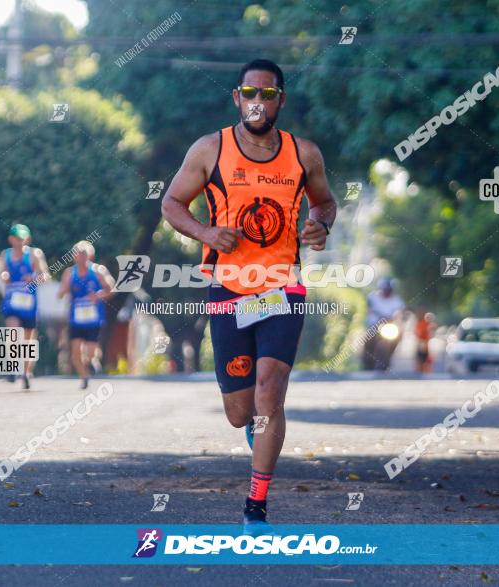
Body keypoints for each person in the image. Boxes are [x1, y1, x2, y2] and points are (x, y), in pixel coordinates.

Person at [161, 58, 336, 534]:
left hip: (283, 287)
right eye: (250, 93)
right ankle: (256, 434)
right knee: (241, 412)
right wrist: (205, 232)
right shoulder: (210, 149)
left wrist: (321, 226)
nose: (259, 102)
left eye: (269, 94)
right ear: (237, 98)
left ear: (281, 100)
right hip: (229, 290)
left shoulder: (304, 154)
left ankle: (256, 504)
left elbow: (324, 201)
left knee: (269, 395)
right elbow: (171, 203)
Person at [58, 240, 113, 389]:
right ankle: (84, 376)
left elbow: (112, 289)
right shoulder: (70, 273)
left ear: (90, 256)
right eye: (78, 255)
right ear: (74, 257)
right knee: (75, 353)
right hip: (76, 319)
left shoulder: (98, 271)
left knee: (90, 352)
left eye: (84, 255)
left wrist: (98, 295)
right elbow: (60, 294)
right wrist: (65, 288)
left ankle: (93, 360)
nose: (81, 258)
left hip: (93, 319)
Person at [0, 224, 48, 390]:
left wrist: (33, 277)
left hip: (28, 304)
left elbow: (45, 275)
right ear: (10, 239)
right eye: (16, 238)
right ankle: (13, 367)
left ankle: (26, 372)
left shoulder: (34, 254)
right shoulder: (5, 255)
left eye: (22, 238)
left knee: (28, 340)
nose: (19, 241)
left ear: (27, 239)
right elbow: (3, 272)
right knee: (12, 332)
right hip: (12, 301)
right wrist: (4, 276)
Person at [362, 277, 406, 370]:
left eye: (389, 290)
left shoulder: (397, 300)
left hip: (390, 325)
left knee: (399, 335)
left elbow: (401, 312)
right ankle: (367, 355)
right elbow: (369, 309)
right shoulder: (373, 297)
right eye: (385, 289)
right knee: (368, 338)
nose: (387, 292)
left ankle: (390, 354)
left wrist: (398, 318)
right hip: (375, 324)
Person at [415, 308, 435, 373]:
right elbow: (418, 334)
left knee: (426, 361)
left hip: (427, 346)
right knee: (420, 360)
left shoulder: (428, 324)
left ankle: (425, 371)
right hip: (422, 345)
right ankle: (420, 371)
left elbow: (431, 333)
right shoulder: (419, 324)